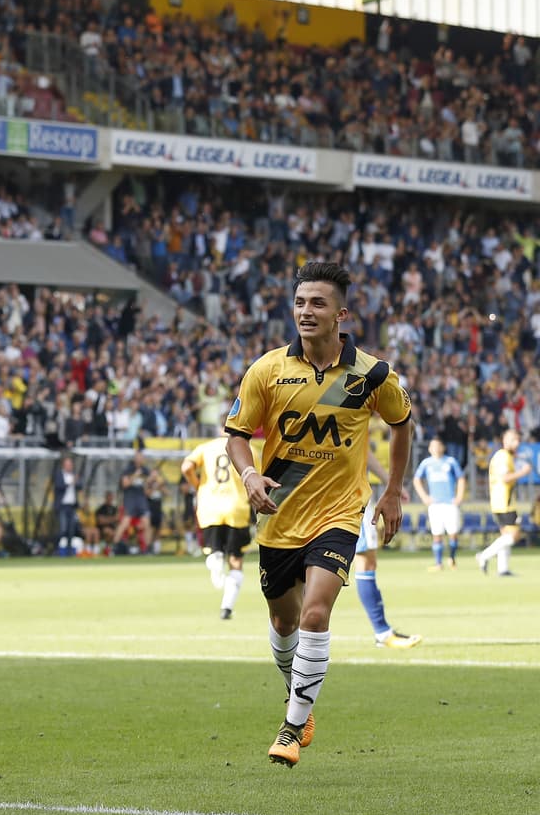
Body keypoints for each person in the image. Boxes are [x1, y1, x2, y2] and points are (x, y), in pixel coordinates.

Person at [225, 261, 412, 768]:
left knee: (314, 612)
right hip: (278, 515)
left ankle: (290, 729)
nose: (306, 311)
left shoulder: (373, 374)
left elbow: (401, 424)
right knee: (283, 622)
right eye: (300, 302)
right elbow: (237, 435)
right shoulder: (267, 370)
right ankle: (298, 697)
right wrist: (249, 475)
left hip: (339, 514)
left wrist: (393, 491)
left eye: (318, 303)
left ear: (341, 314)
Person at [354, 448, 422, 648]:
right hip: (349, 497)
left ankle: (297, 637)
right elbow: (362, 449)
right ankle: (382, 632)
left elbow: (363, 449)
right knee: (365, 562)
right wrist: (391, 484)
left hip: (321, 494)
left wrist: (390, 484)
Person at [181, 435, 252, 620]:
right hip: (237, 508)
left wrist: (198, 486)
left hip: (210, 507)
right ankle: (226, 608)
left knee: (215, 550)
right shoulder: (248, 448)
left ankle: (215, 557)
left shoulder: (205, 447)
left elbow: (186, 467)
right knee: (235, 560)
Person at [478, 429, 531, 576]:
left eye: (518, 440)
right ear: (505, 441)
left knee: (506, 535)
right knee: (514, 535)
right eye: (514, 440)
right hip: (504, 502)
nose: (517, 443)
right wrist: (523, 472)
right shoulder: (502, 456)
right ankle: (484, 555)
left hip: (501, 501)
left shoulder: (505, 455)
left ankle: (503, 569)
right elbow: (506, 478)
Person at [413, 437, 467, 570]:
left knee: (453, 533)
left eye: (438, 446)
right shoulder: (426, 463)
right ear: (429, 449)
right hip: (435, 504)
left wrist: (459, 496)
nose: (436, 448)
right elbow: (416, 479)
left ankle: (452, 558)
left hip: (450, 503)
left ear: (443, 447)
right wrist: (424, 496)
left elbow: (461, 478)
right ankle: (438, 563)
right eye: (433, 446)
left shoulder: (450, 461)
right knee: (437, 534)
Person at [113, 449, 152, 553]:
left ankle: (147, 549)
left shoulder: (146, 471)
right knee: (125, 522)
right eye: (138, 457)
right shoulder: (128, 470)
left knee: (146, 523)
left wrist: (150, 482)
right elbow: (124, 484)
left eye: (141, 457)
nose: (140, 459)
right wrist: (135, 476)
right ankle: (114, 545)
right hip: (130, 499)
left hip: (141, 500)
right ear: (135, 458)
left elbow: (148, 491)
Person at [52, 457, 82, 554]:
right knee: (63, 529)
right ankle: (55, 549)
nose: (69, 466)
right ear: (63, 465)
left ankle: (69, 551)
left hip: (72, 506)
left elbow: (80, 486)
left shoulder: (73, 475)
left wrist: (77, 481)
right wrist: (70, 483)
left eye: (70, 464)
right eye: (67, 464)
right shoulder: (59, 475)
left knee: (71, 530)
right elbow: (59, 486)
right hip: (62, 506)